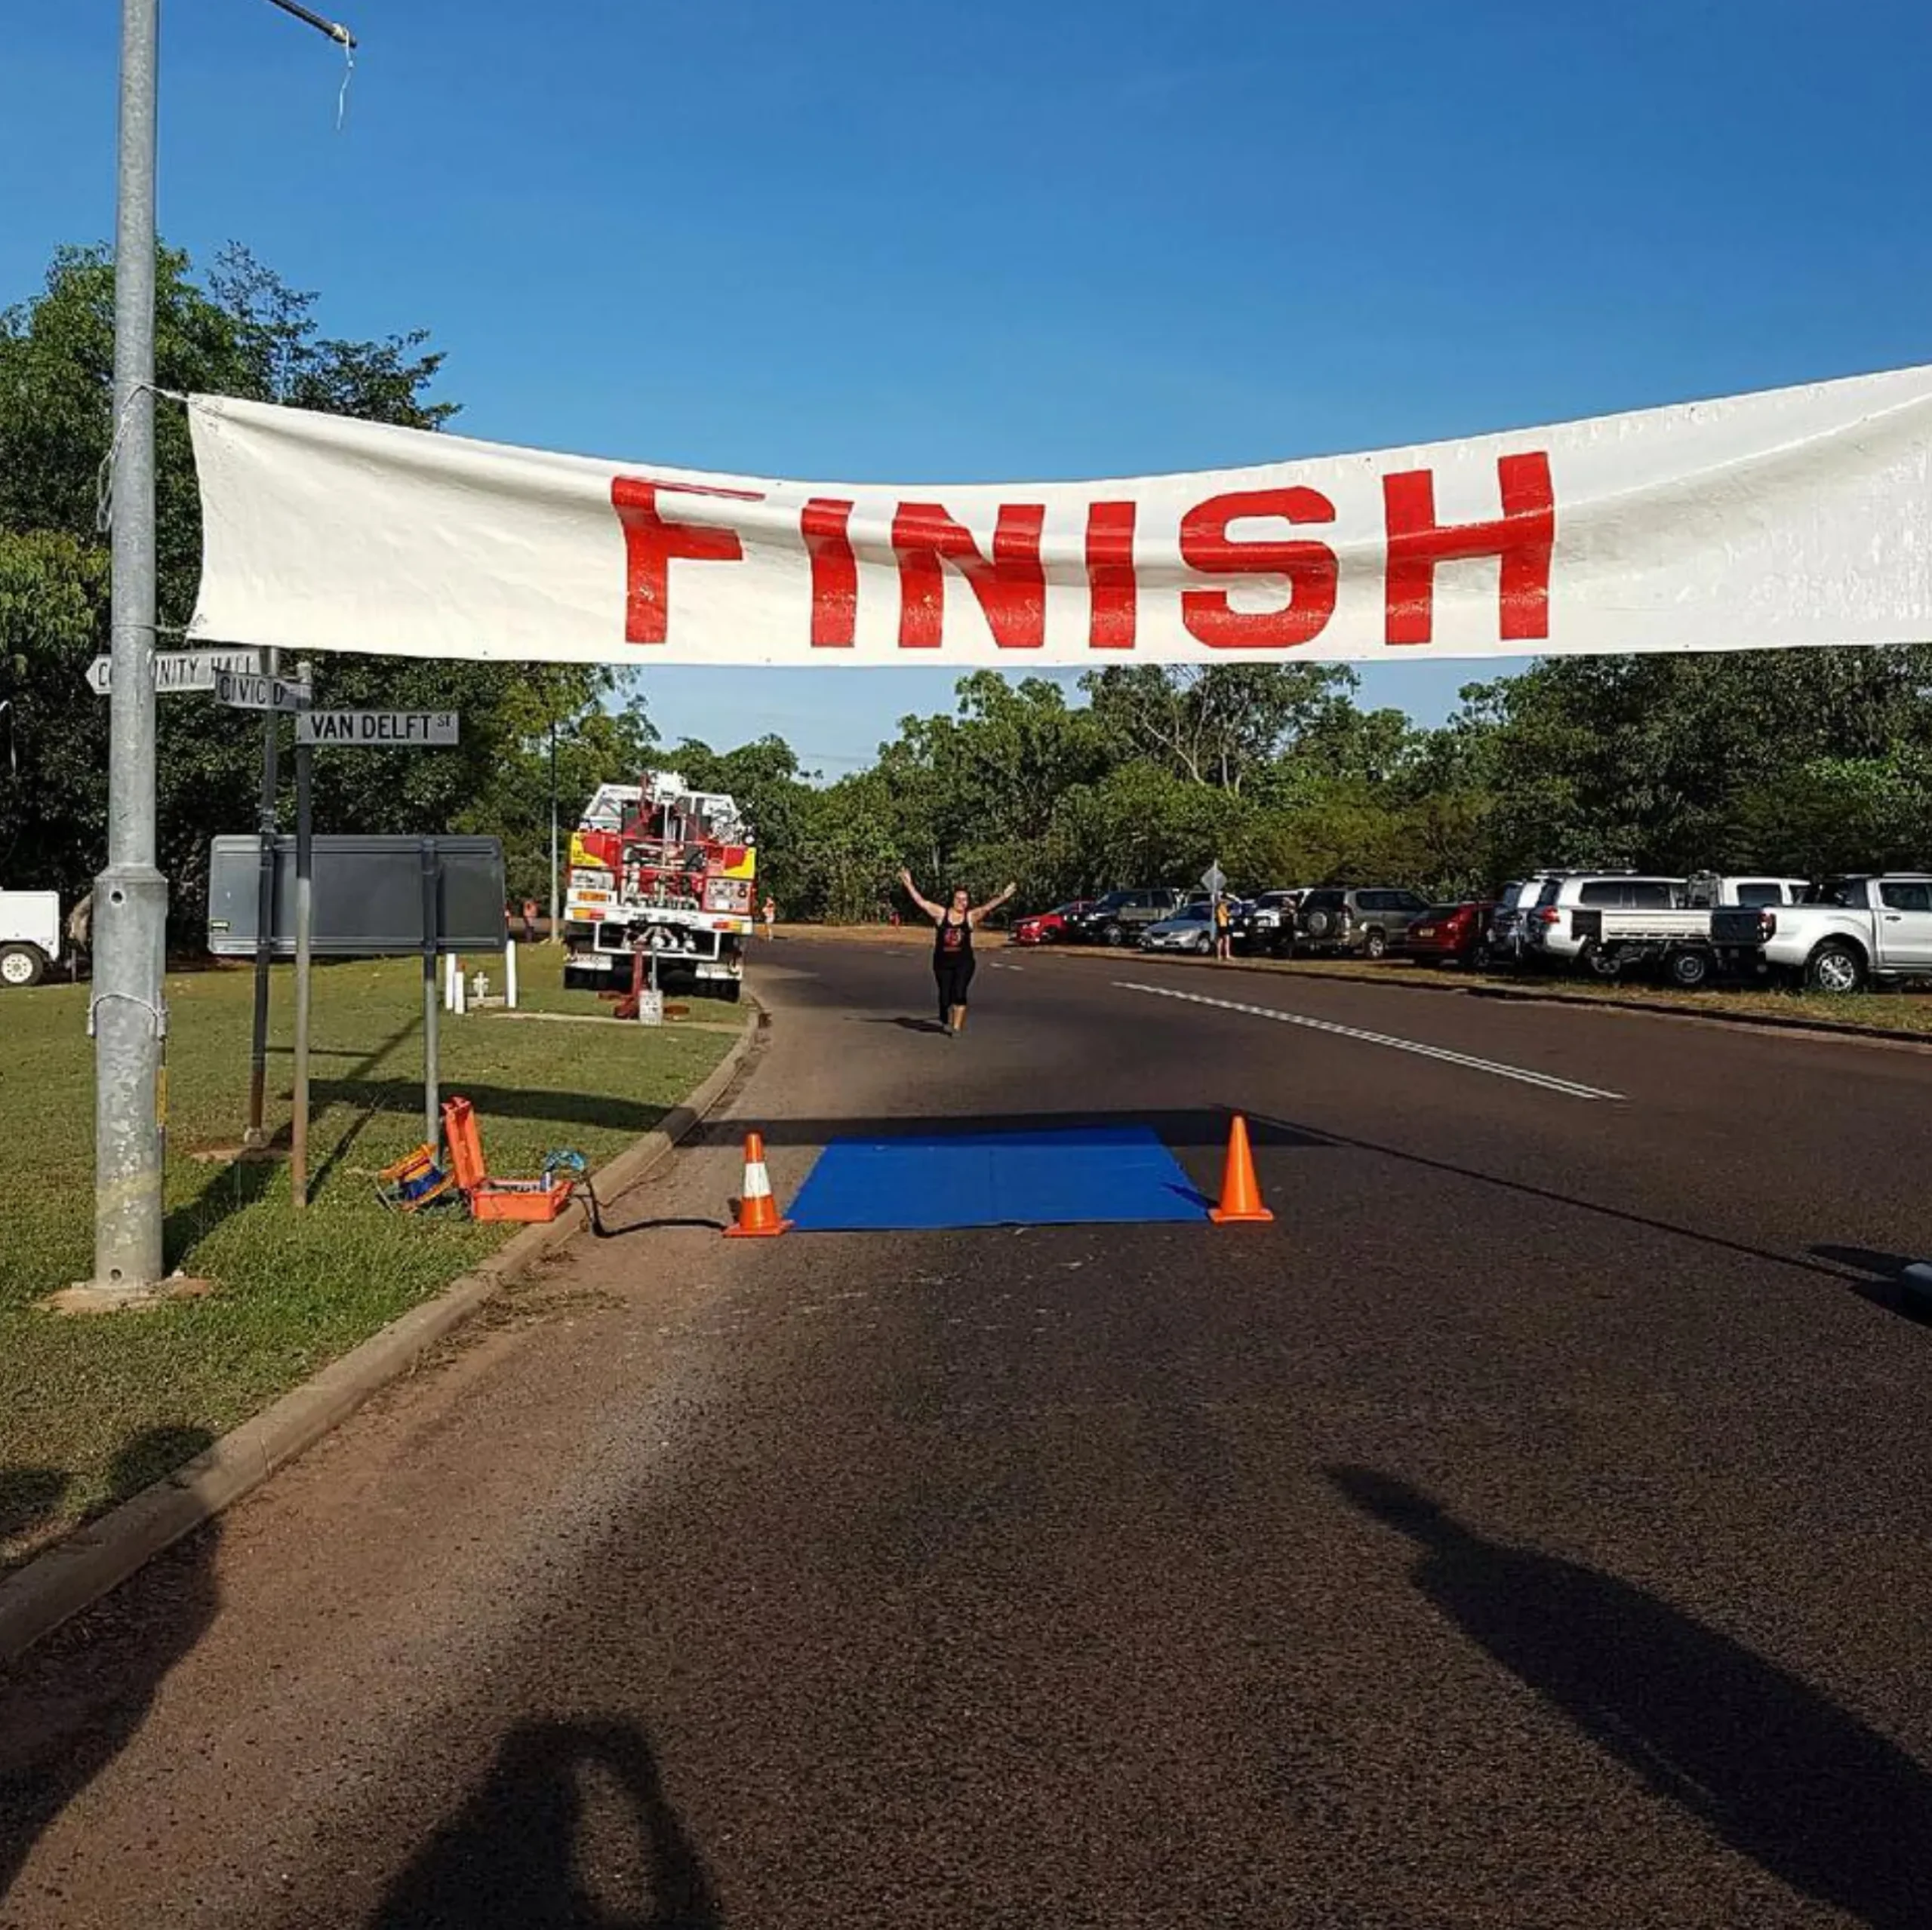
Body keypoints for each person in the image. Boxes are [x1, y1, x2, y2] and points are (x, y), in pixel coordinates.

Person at [899, 869, 1016, 1035]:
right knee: (945, 996)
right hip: (942, 963)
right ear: (952, 900)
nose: (962, 902)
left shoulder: (970, 917)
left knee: (959, 992)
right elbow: (922, 902)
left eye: (965, 899)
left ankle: (956, 1028)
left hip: (964, 963)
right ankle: (944, 1016)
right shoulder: (941, 914)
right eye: (958, 899)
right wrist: (908, 883)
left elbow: (986, 908)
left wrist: (1004, 896)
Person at [1214, 892, 1233, 961]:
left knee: (1220, 940)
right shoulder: (1222, 906)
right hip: (1224, 924)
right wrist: (1231, 914)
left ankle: (1219, 955)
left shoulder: (1217, 906)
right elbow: (1226, 914)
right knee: (1226, 940)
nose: (1228, 901)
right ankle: (1227, 955)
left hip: (1219, 924)